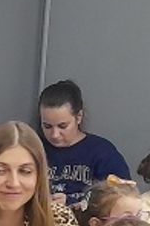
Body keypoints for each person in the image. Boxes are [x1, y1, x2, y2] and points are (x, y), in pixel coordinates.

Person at [37, 79, 131, 213]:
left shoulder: (102, 151)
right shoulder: (35, 148)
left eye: (63, 126)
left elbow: (124, 196)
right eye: (47, 126)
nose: (55, 134)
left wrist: (72, 202)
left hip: (88, 222)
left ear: (79, 117)